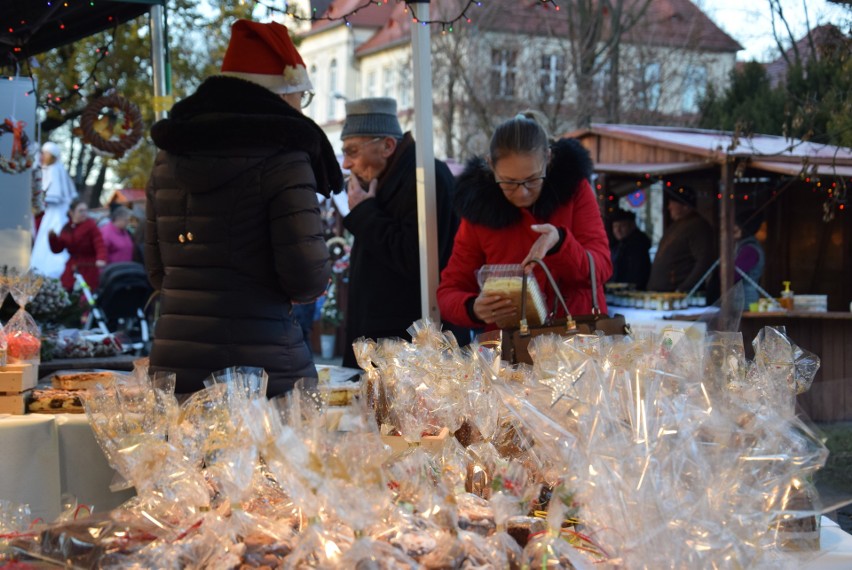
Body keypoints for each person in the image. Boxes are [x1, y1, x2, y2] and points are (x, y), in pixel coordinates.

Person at [145, 19, 343, 396]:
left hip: (176, 368)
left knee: (186, 457)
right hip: (265, 370)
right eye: (301, 96)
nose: (302, 107)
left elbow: (157, 272)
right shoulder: (286, 158)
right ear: (283, 94)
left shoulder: (166, 157)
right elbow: (306, 278)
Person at [437, 113, 612, 331]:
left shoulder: (575, 190)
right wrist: (473, 307)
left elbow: (602, 268)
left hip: (576, 343)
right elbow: (449, 291)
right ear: (491, 166)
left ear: (547, 159)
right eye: (509, 182)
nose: (522, 192)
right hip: (509, 352)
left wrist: (560, 243)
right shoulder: (478, 210)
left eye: (532, 179)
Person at [340, 97, 459, 368]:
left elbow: (415, 258)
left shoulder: (426, 178)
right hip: (381, 342)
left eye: (353, 151)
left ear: (388, 146)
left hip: (409, 350)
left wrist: (365, 212)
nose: (347, 163)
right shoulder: (385, 179)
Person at [646, 185, 715, 293]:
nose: (669, 207)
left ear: (685, 206)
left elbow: (704, 261)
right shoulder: (677, 224)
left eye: (672, 203)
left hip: (678, 296)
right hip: (665, 293)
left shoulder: (698, 226)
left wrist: (684, 288)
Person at [31, 142, 78, 279]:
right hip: (50, 215)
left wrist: (37, 197)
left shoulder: (54, 170)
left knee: (50, 241)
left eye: (45, 153)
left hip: (55, 216)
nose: (43, 156)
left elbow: (54, 196)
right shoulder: (49, 169)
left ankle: (47, 272)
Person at [48, 198, 106, 292]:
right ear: (71, 212)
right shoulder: (67, 227)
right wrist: (53, 238)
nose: (84, 213)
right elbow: (57, 249)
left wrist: (101, 258)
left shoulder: (90, 226)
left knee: (84, 293)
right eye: (81, 211)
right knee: (65, 289)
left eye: (85, 210)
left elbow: (99, 243)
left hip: (88, 266)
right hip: (72, 265)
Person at [609, 208, 651, 289]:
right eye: (615, 226)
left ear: (632, 226)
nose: (618, 230)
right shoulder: (617, 247)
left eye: (622, 226)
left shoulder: (638, 246)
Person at [734, 209, 765, 307]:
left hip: (745, 302)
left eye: (737, 225)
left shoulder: (750, 250)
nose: (733, 228)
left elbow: (734, 275)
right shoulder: (741, 247)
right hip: (740, 299)